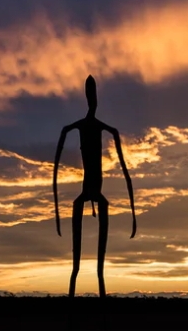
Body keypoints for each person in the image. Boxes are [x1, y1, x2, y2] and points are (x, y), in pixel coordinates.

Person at [53, 75, 136, 297]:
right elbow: (57, 161)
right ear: (89, 98)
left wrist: (133, 213)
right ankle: (73, 301)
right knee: (76, 267)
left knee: (100, 269)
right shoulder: (79, 127)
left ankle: (101, 304)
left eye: (94, 95)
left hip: (98, 193)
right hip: (85, 193)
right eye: (91, 96)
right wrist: (57, 214)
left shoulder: (105, 129)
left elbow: (125, 172)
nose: (93, 101)